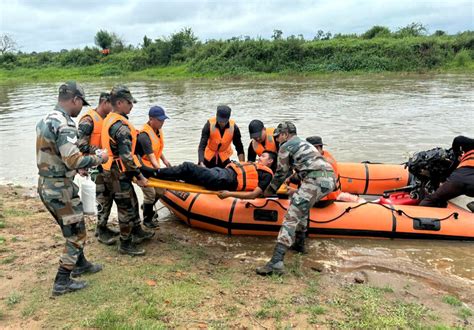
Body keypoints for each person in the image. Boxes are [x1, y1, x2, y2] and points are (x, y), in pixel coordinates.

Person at [36, 81, 109, 296]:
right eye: (81, 103)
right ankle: (61, 281)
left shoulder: (46, 119)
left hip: (46, 183)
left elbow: (54, 154)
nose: (81, 109)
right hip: (60, 189)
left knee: (71, 228)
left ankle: (80, 263)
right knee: (76, 235)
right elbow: (73, 159)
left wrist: (75, 170)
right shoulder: (66, 125)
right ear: (75, 100)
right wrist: (98, 158)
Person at [256, 122, 336, 276]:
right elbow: (308, 166)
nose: (277, 139)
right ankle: (299, 244)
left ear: (285, 134)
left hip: (315, 180)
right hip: (329, 180)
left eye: (278, 136)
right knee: (301, 207)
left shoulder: (286, 147)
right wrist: (293, 177)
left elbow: (280, 173)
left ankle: (276, 262)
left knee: (291, 216)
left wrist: (267, 192)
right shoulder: (304, 144)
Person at [101, 85, 153, 256]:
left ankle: (137, 230)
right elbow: (126, 157)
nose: (132, 106)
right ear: (120, 103)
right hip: (117, 173)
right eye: (130, 103)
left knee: (132, 201)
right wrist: (139, 176)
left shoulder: (110, 118)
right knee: (125, 207)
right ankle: (125, 243)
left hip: (113, 170)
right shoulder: (120, 127)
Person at [77, 92, 118, 245]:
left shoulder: (106, 119)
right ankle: (101, 230)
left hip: (105, 164)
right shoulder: (88, 120)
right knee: (102, 196)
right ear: (104, 102)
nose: (113, 107)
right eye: (111, 104)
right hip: (93, 165)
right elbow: (81, 144)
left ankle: (103, 226)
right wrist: (99, 151)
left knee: (110, 195)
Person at [148, 151, 277, 200]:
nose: (260, 157)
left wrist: (228, 194)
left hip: (224, 180)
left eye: (263, 156)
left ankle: (155, 172)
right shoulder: (254, 166)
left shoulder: (267, 175)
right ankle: (156, 174)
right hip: (221, 173)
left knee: (188, 167)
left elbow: (253, 195)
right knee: (187, 174)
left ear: (270, 161)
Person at [136, 106, 171, 228]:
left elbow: (157, 149)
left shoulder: (157, 130)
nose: (162, 122)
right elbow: (151, 158)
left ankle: (146, 207)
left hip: (152, 167)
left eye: (163, 120)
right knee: (150, 193)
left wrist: (165, 160)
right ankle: (147, 219)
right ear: (151, 119)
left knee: (161, 191)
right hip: (142, 169)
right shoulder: (144, 136)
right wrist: (163, 173)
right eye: (160, 120)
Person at [420, 135, 474, 208]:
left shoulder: (467, 146)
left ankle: (420, 213)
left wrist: (456, 153)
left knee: (430, 201)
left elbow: (458, 139)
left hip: (458, 179)